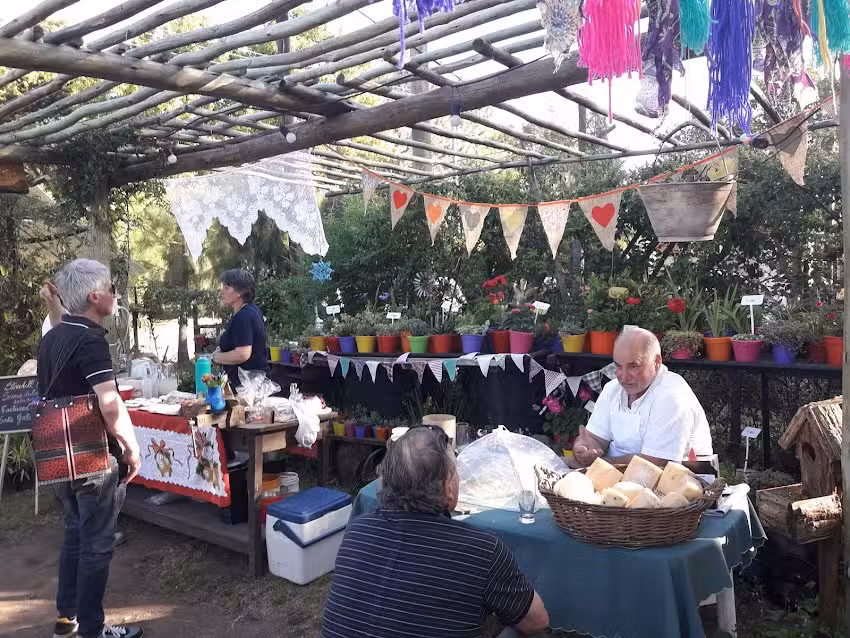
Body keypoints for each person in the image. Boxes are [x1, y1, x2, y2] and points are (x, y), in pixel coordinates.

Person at [322, 427, 549, 638]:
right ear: (448, 489)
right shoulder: (482, 551)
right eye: (457, 472)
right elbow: (537, 621)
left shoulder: (357, 529)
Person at [37, 259, 143, 638]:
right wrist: (131, 448)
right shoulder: (90, 339)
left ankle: (67, 621)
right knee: (96, 543)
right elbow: (109, 403)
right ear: (96, 296)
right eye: (112, 288)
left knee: (74, 534)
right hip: (93, 455)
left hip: (56, 456)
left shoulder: (51, 339)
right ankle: (93, 631)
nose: (116, 293)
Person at [572, 328, 713, 468]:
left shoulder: (672, 396)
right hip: (616, 479)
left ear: (656, 362)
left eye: (633, 366)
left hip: (677, 483)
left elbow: (654, 462)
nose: (624, 376)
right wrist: (584, 448)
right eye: (618, 366)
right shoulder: (612, 389)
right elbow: (594, 437)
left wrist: (598, 464)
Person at [210, 269, 269, 387]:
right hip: (253, 383)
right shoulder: (250, 310)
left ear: (239, 292)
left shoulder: (244, 316)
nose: (222, 291)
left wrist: (213, 357)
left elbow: (242, 354)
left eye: (226, 288)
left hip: (247, 387)